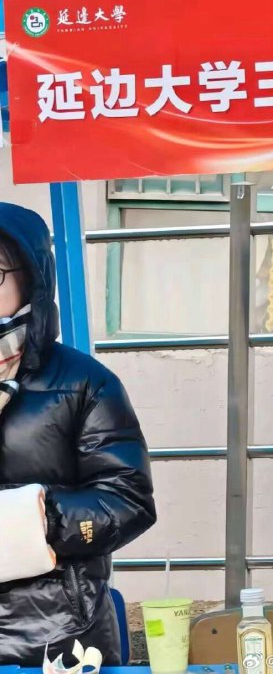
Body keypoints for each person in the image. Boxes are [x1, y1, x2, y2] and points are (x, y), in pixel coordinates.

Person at [0, 202, 156, 664]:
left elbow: (128, 500)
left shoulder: (84, 382)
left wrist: (35, 520)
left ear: (31, 279)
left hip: (59, 637)